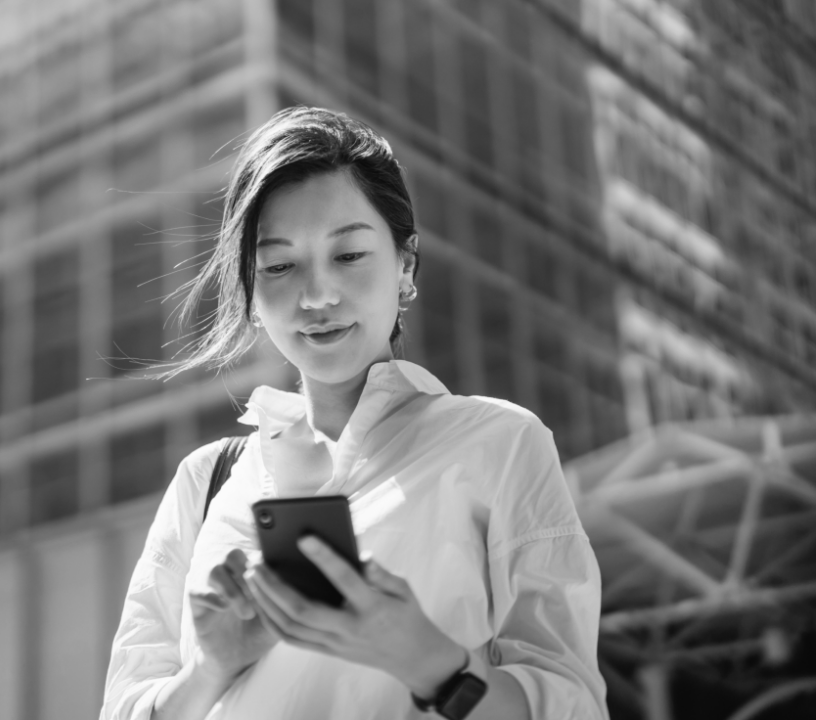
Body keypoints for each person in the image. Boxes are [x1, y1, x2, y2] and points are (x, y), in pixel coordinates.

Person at [99, 107, 608, 720]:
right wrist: (211, 668)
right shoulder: (207, 482)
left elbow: (574, 704)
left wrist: (432, 662)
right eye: (280, 266)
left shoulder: (499, 443)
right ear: (251, 295)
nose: (316, 295)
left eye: (349, 255)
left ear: (406, 266)